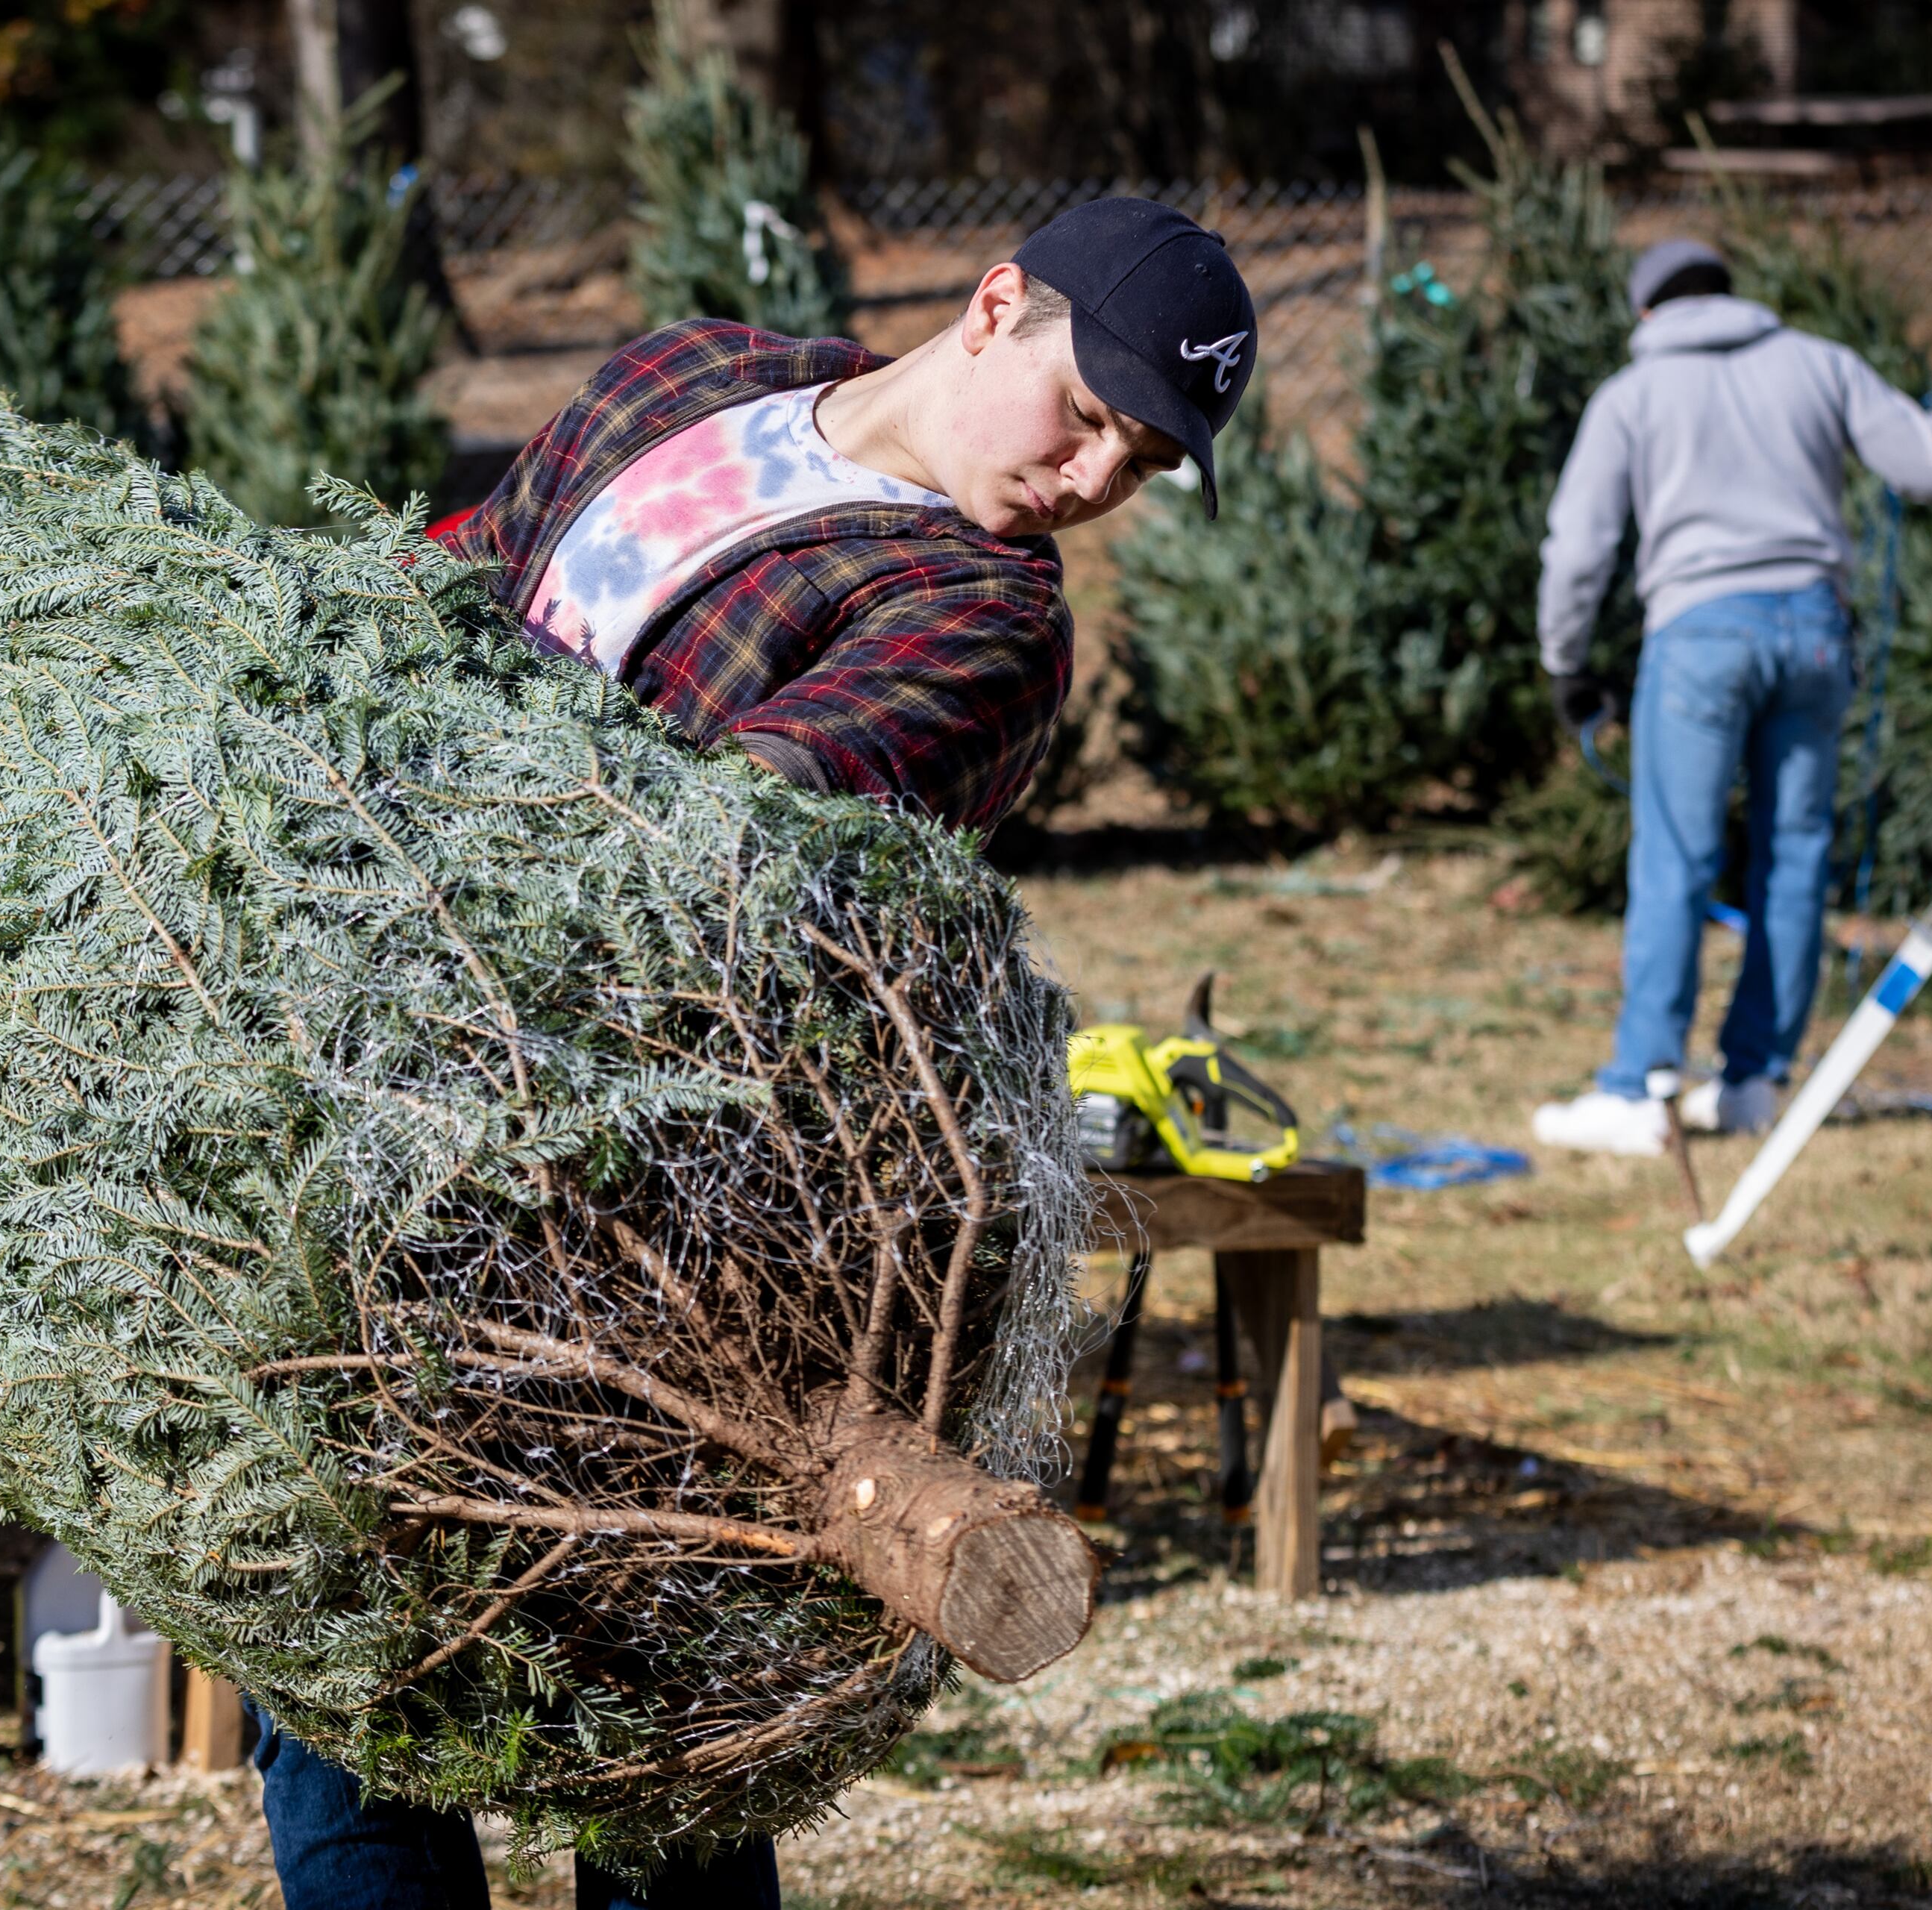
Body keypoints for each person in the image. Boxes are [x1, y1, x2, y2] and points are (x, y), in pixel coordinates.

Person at [252, 195, 1261, 1910]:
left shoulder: (987, 625)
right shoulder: (691, 375)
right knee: (337, 1674)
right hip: (381, 1109)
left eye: (1144, 464)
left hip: (659, 1217)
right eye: (1087, 414)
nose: (1094, 481)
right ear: (996, 304)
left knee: (647, 1728)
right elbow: (460, 569)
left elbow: (718, 845)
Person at [1530, 237, 1932, 1159]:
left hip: (1699, 639)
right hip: (1816, 632)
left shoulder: (1631, 395)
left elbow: (1579, 546)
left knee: (1677, 857)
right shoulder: (1820, 363)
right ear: (1733, 296)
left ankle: (1642, 1087)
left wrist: (1567, 658)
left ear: (1648, 313)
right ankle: (1755, 1082)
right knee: (1795, 854)